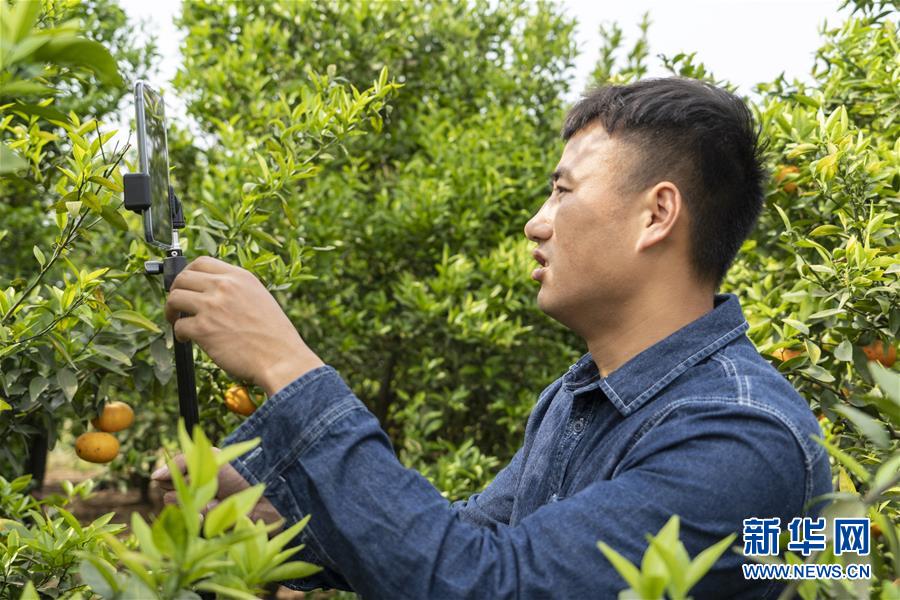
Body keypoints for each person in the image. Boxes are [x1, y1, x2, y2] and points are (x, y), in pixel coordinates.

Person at [153, 77, 833, 598]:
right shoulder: (580, 398)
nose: (537, 222)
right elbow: (471, 539)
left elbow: (483, 584)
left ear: (656, 214)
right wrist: (276, 516)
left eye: (562, 191)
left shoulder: (742, 435)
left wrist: (286, 365)